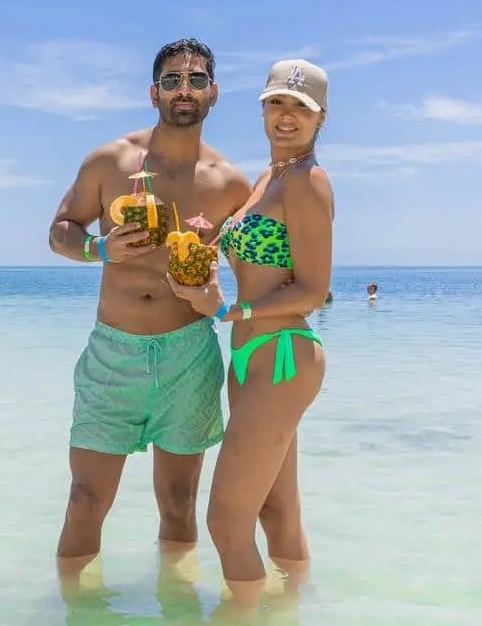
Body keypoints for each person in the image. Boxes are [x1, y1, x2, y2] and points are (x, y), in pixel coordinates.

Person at [47, 38, 252, 572]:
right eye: (172, 80)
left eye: (196, 80)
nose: (184, 89)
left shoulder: (232, 185)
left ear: (213, 93)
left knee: (179, 505)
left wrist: (224, 306)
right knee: (84, 501)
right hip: (113, 353)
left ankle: (176, 603)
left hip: (189, 355)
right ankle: (73, 606)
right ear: (153, 92)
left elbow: (256, 278)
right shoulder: (110, 161)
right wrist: (99, 248)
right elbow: (61, 230)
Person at [168, 58, 334, 609]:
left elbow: (313, 290)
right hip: (252, 361)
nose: (286, 116)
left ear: (321, 117)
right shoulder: (270, 177)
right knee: (276, 509)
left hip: (283, 355)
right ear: (262, 109)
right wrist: (198, 242)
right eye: (276, 103)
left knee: (225, 520)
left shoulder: (308, 182)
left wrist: (229, 312)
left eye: (300, 107)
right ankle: (293, 607)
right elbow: (243, 248)